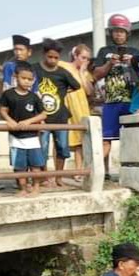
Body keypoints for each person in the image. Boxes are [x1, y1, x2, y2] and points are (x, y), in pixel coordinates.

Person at [92, 14, 139, 179]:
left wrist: (131, 64)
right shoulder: (104, 52)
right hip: (111, 101)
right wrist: (109, 63)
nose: (119, 34)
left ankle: (131, 173)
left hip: (132, 102)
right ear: (110, 33)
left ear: (127, 33)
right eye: (115, 31)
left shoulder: (135, 52)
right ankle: (102, 173)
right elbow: (96, 75)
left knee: (132, 139)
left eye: (122, 31)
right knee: (106, 139)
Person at [33, 38, 80, 187]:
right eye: (50, 57)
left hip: (60, 117)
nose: (53, 60)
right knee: (42, 148)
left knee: (62, 148)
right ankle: (45, 177)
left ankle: (59, 177)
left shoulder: (63, 73)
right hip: (41, 118)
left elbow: (76, 86)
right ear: (44, 54)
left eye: (56, 58)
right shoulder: (35, 69)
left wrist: (63, 92)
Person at [0, 62, 47, 197]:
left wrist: (29, 121)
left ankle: (36, 188)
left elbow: (43, 114)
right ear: (15, 77)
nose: (27, 82)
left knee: (36, 164)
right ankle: (24, 188)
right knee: (19, 166)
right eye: (23, 78)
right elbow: (3, 110)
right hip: (15, 136)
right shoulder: (8, 94)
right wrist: (10, 121)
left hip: (32, 136)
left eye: (30, 79)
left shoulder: (34, 97)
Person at [58, 44, 94, 178]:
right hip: (65, 105)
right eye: (83, 57)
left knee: (80, 142)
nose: (85, 61)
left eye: (88, 59)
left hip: (81, 108)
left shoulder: (85, 73)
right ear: (75, 56)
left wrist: (82, 73)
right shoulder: (63, 66)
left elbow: (89, 91)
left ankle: (78, 171)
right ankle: (58, 173)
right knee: (60, 140)